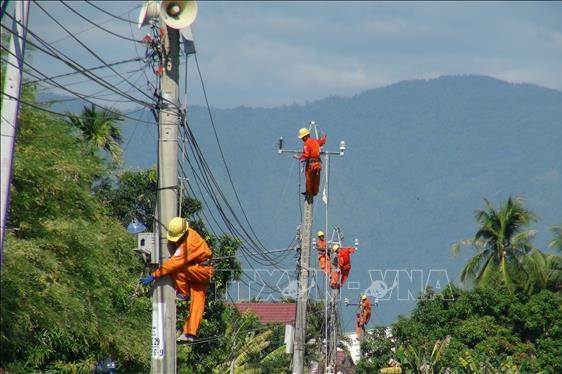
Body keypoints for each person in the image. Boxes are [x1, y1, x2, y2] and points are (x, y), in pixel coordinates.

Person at [142, 217, 214, 343]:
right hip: (203, 270)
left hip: (200, 270)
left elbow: (173, 264)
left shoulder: (188, 243)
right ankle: (190, 333)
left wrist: (154, 275)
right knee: (198, 302)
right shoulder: (187, 234)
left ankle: (184, 293)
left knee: (177, 269)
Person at [296, 127, 326, 197]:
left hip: (311, 165)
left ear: (306, 136)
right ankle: (314, 192)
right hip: (318, 165)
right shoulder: (315, 141)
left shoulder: (307, 144)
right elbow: (322, 142)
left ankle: (309, 193)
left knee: (309, 179)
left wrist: (299, 157)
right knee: (316, 180)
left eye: (302, 137)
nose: (302, 139)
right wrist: (324, 137)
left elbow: (306, 155)